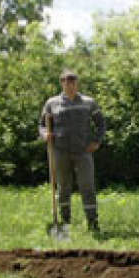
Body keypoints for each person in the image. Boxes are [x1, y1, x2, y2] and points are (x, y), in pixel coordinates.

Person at [39, 69, 106, 231]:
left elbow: (101, 123)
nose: (70, 85)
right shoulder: (51, 103)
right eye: (66, 82)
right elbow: (41, 124)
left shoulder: (88, 102)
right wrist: (44, 134)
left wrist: (97, 141)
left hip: (83, 151)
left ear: (77, 83)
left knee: (87, 186)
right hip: (60, 151)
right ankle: (65, 223)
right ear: (61, 83)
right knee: (63, 188)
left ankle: (93, 223)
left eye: (73, 82)